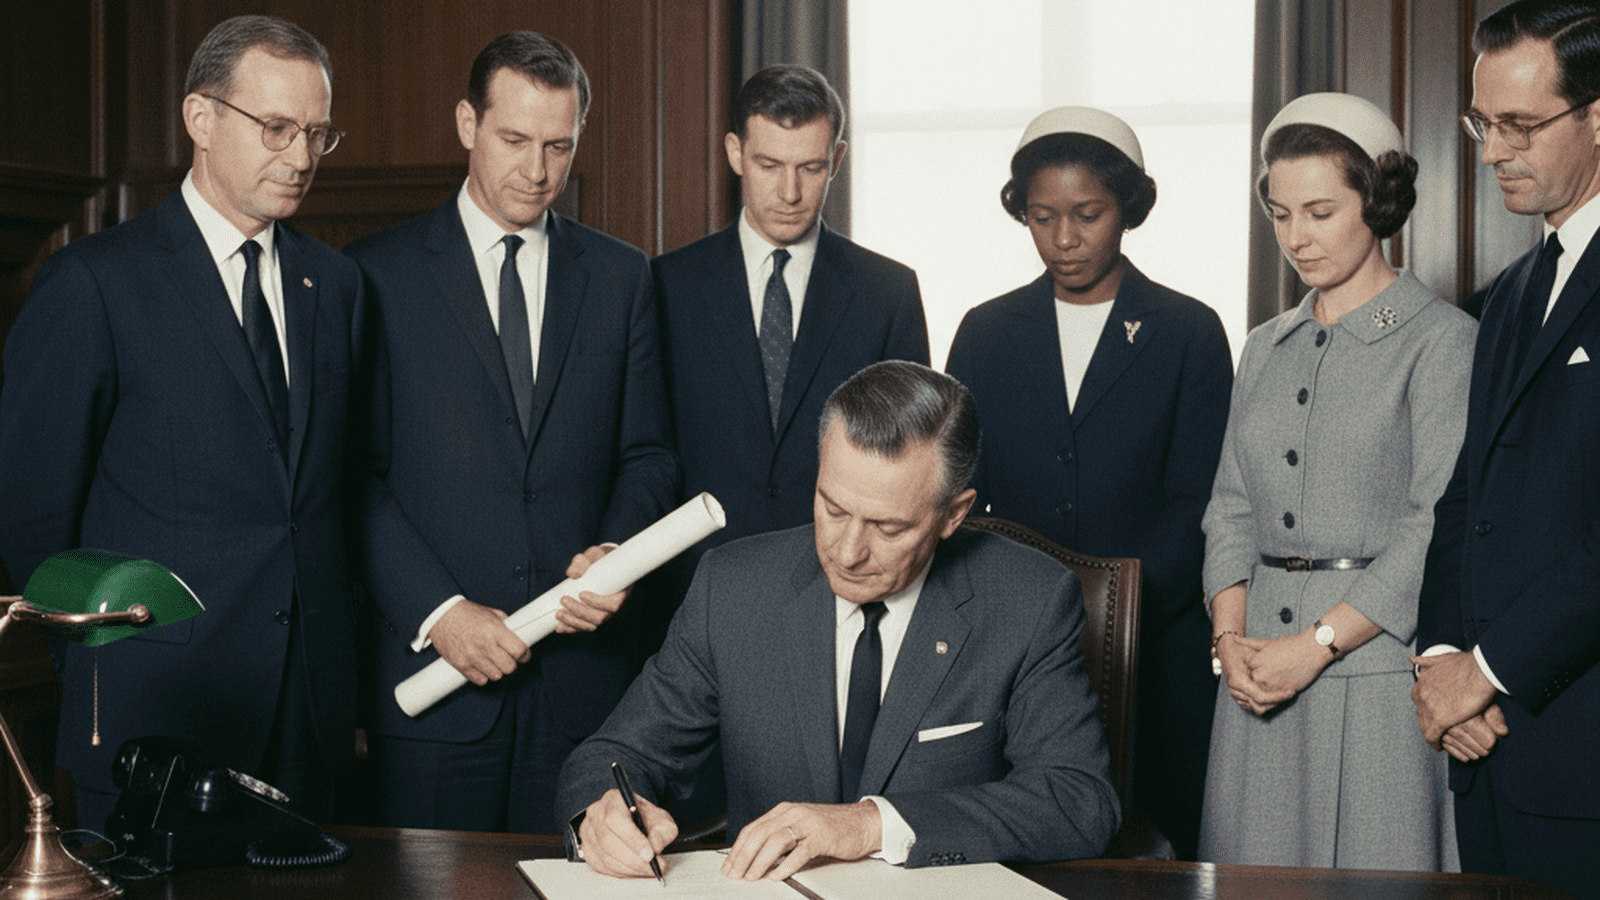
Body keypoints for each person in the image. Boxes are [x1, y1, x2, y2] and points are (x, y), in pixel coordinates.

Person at [0, 15, 360, 829]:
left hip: (306, 718)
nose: (301, 158)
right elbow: (31, 516)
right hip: (150, 716)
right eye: (276, 128)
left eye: (317, 134)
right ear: (201, 119)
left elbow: (322, 497)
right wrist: (106, 669)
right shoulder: (93, 284)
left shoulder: (334, 286)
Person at [556, 361, 1118, 879]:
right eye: (832, 508)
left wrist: (869, 823)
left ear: (953, 514)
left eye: (889, 528)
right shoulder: (731, 588)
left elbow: (1077, 799)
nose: (847, 552)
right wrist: (599, 816)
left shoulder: (1030, 600)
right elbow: (617, 756)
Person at [344, 31, 677, 834]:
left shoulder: (622, 275)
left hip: (584, 690)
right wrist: (441, 612)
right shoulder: (373, 275)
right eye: (515, 140)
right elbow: (352, 476)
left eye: (558, 146)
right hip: (433, 686)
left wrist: (617, 553)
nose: (537, 171)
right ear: (467, 123)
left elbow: (649, 453)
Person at [944, 106, 1232, 859]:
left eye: (1087, 214)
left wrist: (1115, 604)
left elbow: (1198, 501)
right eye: (1042, 217)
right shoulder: (985, 330)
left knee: (1157, 845)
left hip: (1157, 648)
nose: (1064, 239)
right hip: (1011, 647)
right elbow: (961, 488)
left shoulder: (1189, 331)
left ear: (1129, 209)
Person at [1198, 92, 1475, 870]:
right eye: (1281, 215)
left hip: (1375, 671)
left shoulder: (1444, 342)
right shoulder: (1264, 346)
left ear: (1377, 203)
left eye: (1320, 211)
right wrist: (1231, 641)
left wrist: (1315, 646)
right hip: (1253, 672)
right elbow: (1230, 509)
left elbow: (1432, 527)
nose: (1297, 238)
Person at [1414, 3, 1600, 897]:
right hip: (1485, 748)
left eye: (1520, 125)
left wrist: (1483, 675)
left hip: (1581, 750)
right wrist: (1442, 660)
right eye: (1482, 123)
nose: (1491, 151)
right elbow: (1465, 501)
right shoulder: (1514, 289)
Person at [650, 63, 928, 629]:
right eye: (769, 165)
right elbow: (643, 449)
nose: (790, 192)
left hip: (840, 593)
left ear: (838, 161)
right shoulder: (662, 286)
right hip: (692, 593)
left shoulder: (888, 292)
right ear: (735, 153)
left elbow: (907, 460)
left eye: (811, 167)